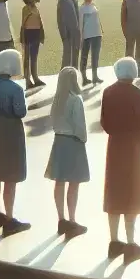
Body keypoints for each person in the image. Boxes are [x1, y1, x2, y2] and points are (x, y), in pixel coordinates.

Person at [101, 57, 140, 261]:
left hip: (114, 147)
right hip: (133, 149)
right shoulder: (136, 94)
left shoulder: (108, 92)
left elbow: (105, 122)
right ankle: (131, 243)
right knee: (132, 193)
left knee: (114, 192)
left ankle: (114, 241)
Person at [0, 49, 31, 237]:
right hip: (11, 131)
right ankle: (10, 219)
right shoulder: (16, 88)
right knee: (10, 176)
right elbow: (20, 112)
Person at [44, 65, 91, 238]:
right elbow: (80, 125)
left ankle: (61, 218)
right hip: (73, 142)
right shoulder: (75, 99)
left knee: (59, 181)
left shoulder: (57, 100)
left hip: (59, 141)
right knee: (74, 182)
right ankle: (72, 219)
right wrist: (83, 138)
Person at [20, 0, 46, 88]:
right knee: (26, 58)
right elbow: (23, 23)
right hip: (28, 33)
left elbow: (40, 22)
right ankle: (27, 79)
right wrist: (22, 37)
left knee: (34, 57)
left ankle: (35, 77)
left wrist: (42, 34)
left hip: (36, 33)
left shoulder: (36, 8)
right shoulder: (25, 8)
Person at [77, 0, 104, 83]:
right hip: (87, 35)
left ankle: (95, 76)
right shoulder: (82, 8)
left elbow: (97, 20)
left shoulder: (93, 6)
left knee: (95, 56)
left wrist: (101, 31)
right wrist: (81, 37)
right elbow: (80, 23)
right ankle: (84, 78)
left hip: (97, 34)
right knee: (84, 56)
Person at [55, 0, 82, 74]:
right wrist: (64, 34)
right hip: (68, 34)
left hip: (76, 33)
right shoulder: (63, 0)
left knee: (75, 57)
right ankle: (63, 79)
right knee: (67, 59)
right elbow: (61, 19)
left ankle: (74, 78)